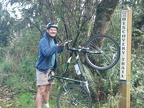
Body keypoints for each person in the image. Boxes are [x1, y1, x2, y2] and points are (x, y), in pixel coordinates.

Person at [35, 22, 64, 108]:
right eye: (51, 29)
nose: (53, 31)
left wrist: (61, 47)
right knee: (41, 90)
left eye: (55, 30)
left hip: (51, 69)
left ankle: (46, 106)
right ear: (47, 30)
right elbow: (46, 53)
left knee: (48, 89)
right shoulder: (43, 40)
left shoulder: (53, 40)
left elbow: (56, 50)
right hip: (43, 69)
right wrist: (56, 46)